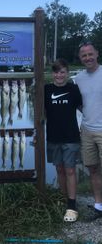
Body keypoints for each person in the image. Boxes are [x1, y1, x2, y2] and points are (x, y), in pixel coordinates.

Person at [45, 59, 82, 222]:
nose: (59, 75)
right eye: (56, 72)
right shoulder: (46, 89)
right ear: (52, 74)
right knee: (59, 170)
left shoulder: (74, 89)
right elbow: (40, 114)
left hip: (71, 137)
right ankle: (64, 199)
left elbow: (84, 109)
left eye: (62, 72)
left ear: (67, 73)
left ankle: (72, 206)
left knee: (70, 170)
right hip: (53, 137)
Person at [75, 42, 102, 220]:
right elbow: (77, 102)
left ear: (97, 53)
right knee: (92, 169)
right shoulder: (78, 78)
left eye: (90, 54)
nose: (88, 58)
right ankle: (98, 206)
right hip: (86, 130)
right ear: (80, 58)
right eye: (84, 55)